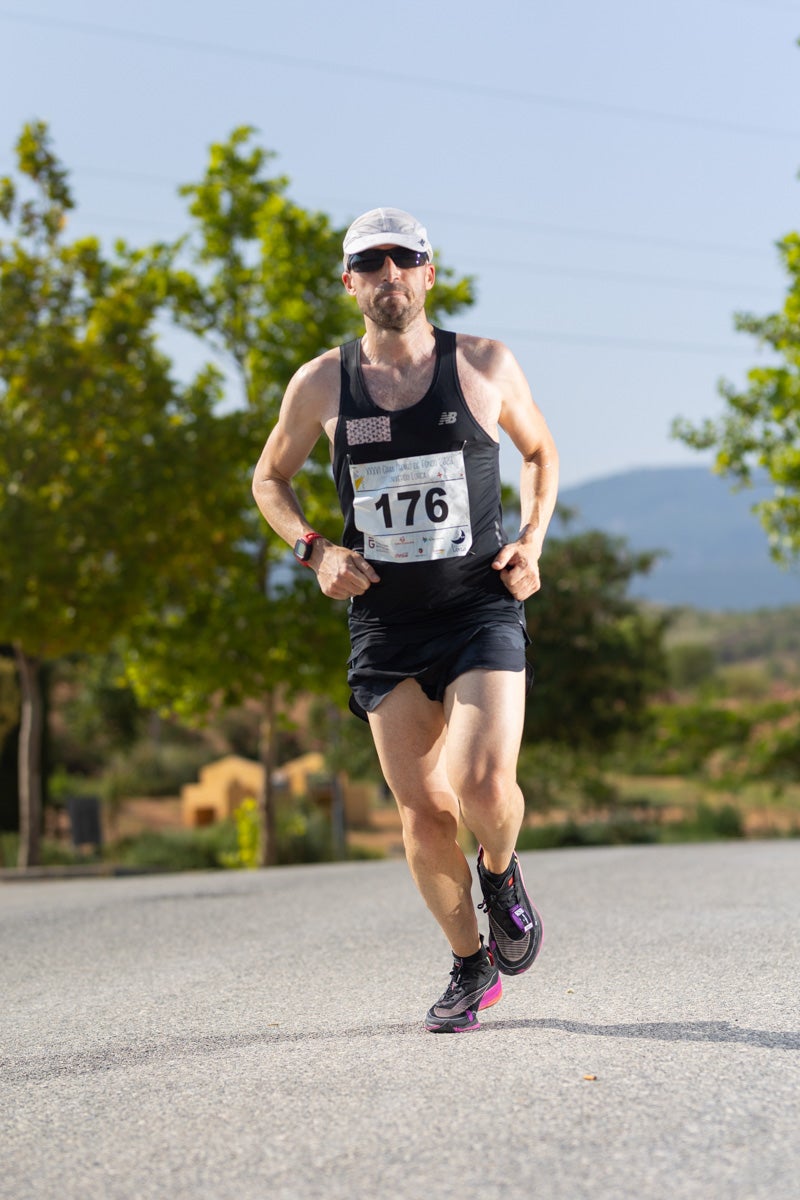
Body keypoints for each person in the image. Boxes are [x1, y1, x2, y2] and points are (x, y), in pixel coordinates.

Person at [252, 207, 559, 1032]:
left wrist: (531, 541)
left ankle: (500, 869)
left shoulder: (485, 363)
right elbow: (269, 481)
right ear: (349, 282)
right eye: (371, 263)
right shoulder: (322, 382)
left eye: (405, 260)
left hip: (478, 605)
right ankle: (471, 966)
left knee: (483, 784)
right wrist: (315, 550)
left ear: (429, 272)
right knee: (423, 812)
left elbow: (540, 453)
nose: (390, 275)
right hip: (384, 623)